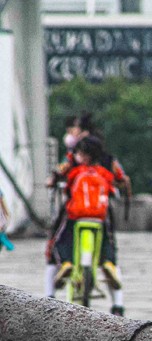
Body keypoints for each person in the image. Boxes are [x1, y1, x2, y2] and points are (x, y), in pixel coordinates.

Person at [45, 114, 129, 315]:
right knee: (109, 251)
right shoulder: (108, 161)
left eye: (72, 129)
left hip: (75, 214)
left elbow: (59, 174)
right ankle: (117, 303)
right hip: (101, 214)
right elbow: (121, 178)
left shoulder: (74, 158)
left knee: (56, 246)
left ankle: (52, 290)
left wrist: (53, 180)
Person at [52, 136, 116, 290]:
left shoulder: (76, 171)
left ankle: (66, 262)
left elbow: (68, 189)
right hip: (99, 217)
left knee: (61, 239)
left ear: (85, 156)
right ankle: (108, 262)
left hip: (77, 216)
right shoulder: (104, 173)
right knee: (108, 240)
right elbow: (111, 190)